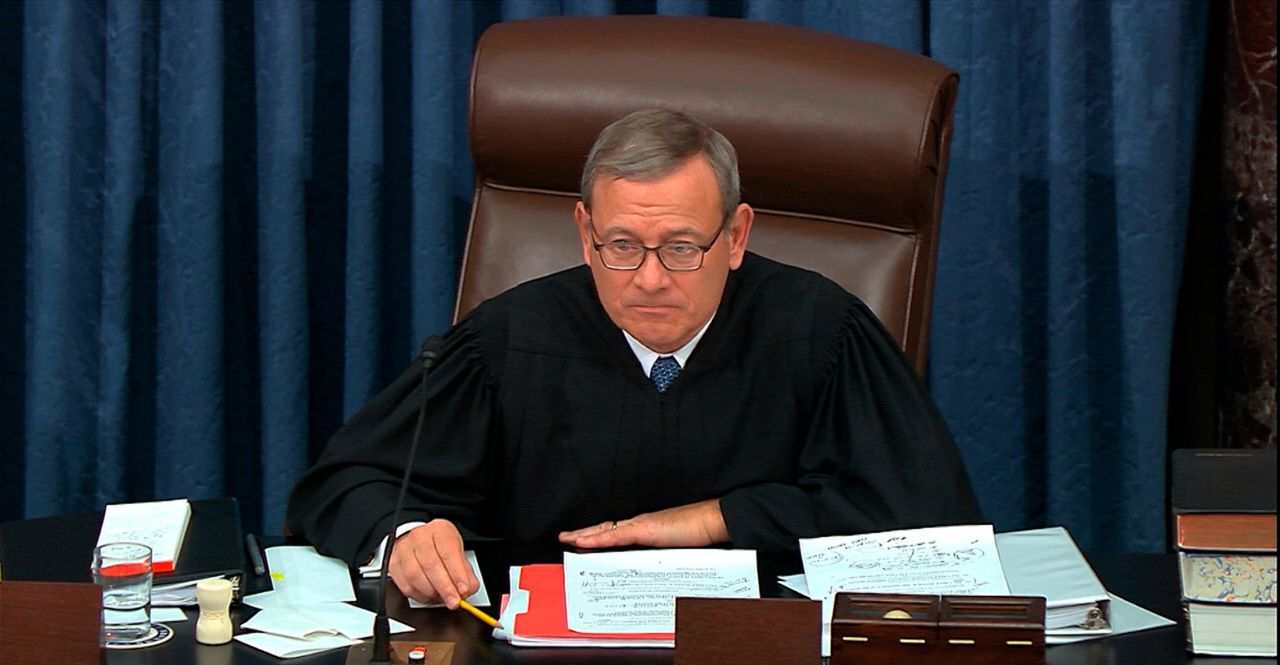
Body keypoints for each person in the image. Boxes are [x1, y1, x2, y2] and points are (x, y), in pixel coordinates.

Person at [286, 108, 982, 609]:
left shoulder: (821, 333)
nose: (649, 278)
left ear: (736, 236)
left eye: (682, 247)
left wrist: (721, 518)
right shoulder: (508, 339)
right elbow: (349, 481)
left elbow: (925, 524)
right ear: (584, 234)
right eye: (621, 246)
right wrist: (406, 534)